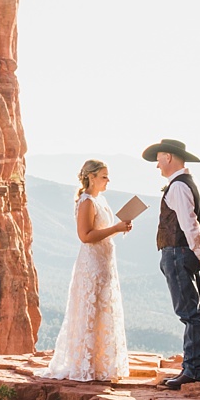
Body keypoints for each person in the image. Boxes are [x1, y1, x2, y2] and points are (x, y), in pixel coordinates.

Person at [40, 158, 134, 381]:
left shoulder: (99, 200)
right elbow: (85, 236)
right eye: (104, 176)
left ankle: (100, 363)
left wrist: (120, 228)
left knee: (102, 308)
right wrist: (116, 228)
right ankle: (85, 364)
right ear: (91, 177)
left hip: (104, 262)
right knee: (90, 309)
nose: (108, 180)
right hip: (92, 263)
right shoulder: (87, 202)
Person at [145, 138, 200, 388]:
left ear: (168, 157)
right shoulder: (194, 184)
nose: (157, 166)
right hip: (187, 253)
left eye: (158, 159)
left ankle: (195, 370)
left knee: (189, 313)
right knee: (192, 312)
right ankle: (193, 367)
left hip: (177, 252)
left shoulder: (177, 187)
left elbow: (190, 224)